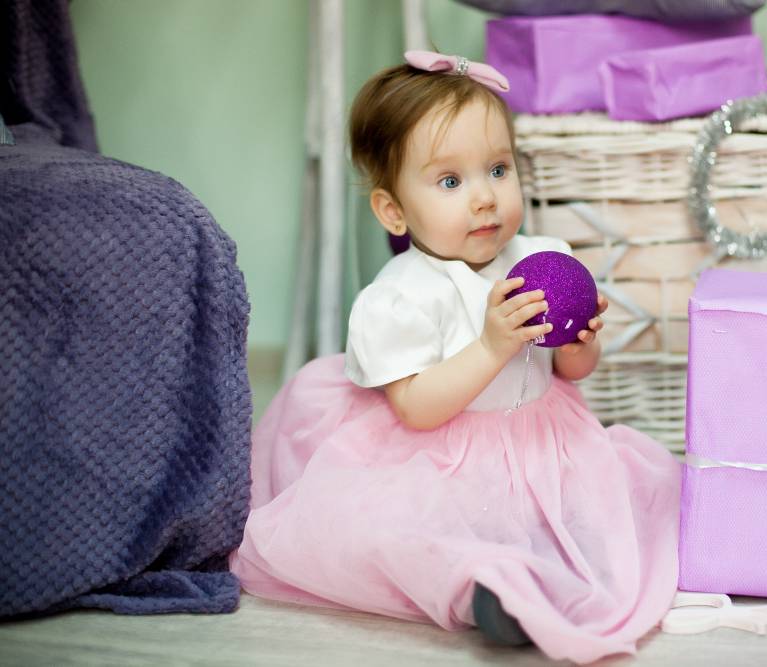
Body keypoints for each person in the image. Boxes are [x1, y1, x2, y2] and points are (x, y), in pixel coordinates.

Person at [230, 51, 682, 664]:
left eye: (498, 169)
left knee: (610, 511)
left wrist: (582, 342)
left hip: (544, 443)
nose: (485, 198)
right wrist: (492, 346)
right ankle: (484, 592)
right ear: (393, 211)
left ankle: (548, 569)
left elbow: (569, 374)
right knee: (419, 534)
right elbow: (416, 408)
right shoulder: (404, 295)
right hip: (442, 457)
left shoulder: (543, 256)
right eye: (450, 182)